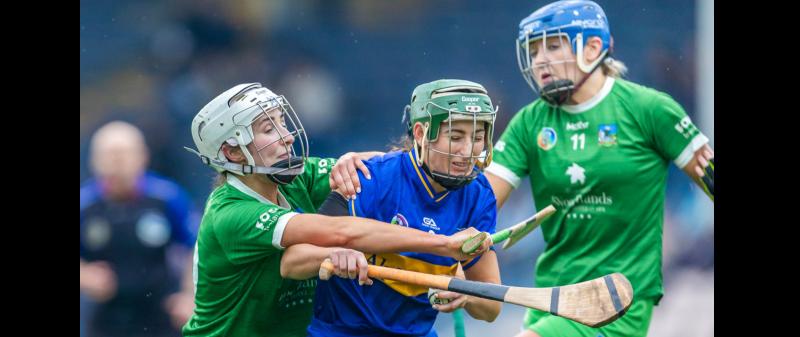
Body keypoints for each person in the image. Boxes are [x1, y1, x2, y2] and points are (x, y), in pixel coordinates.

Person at [181, 83, 492, 337]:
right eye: (268, 129)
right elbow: (341, 231)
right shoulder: (230, 214)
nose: (287, 137)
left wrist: (352, 156)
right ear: (232, 151)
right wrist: (445, 245)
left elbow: (383, 169)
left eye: (282, 123)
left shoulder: (295, 176)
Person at [483, 1, 715, 337]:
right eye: (533, 52)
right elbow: (482, 203)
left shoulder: (649, 110)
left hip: (619, 299)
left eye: (551, 46)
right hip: (550, 298)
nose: (539, 61)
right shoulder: (529, 122)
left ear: (592, 48)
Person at [308, 79, 503, 337]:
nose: (467, 151)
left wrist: (466, 296)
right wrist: (334, 253)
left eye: (477, 138)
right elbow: (296, 256)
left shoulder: (478, 196)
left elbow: (491, 306)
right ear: (421, 134)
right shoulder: (370, 178)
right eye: (455, 137)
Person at [80, 121, 198, 337]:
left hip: (162, 312)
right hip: (105, 316)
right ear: (93, 160)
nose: (116, 161)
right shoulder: (85, 205)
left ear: (143, 156)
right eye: (108, 154)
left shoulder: (167, 197)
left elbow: (197, 245)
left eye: (123, 153)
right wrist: (84, 275)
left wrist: (189, 295)